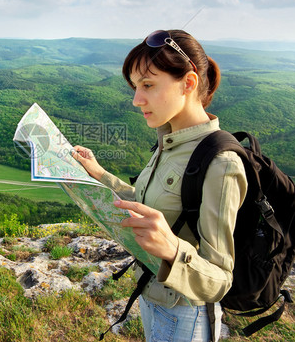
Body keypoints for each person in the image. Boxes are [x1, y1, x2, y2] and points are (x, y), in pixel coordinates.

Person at [72, 29, 248, 342]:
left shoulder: (220, 163)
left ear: (188, 83)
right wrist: (98, 173)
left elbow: (220, 281)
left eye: (148, 85)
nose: (136, 99)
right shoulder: (169, 142)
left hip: (186, 314)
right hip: (152, 295)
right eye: (136, 86)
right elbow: (147, 202)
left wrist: (172, 248)